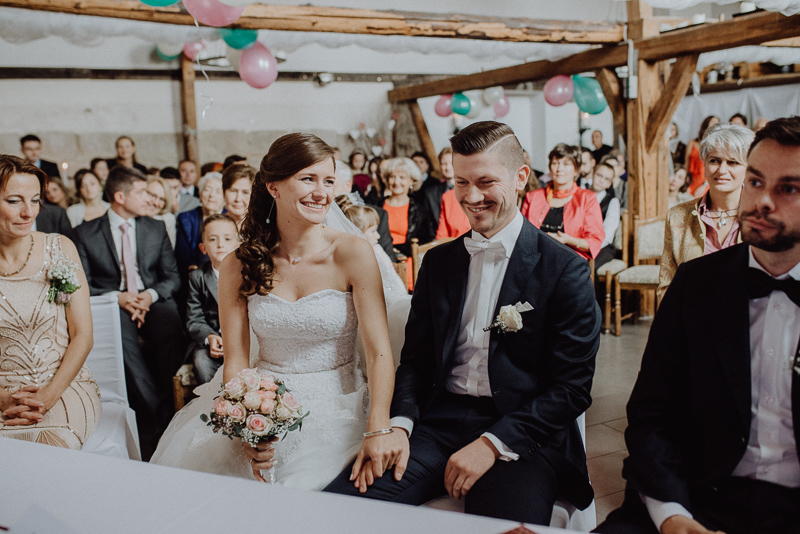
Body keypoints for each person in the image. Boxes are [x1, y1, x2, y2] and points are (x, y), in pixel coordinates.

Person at [325, 121, 600, 525]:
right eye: (461, 183)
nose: (472, 197)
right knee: (337, 513)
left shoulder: (565, 272)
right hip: (437, 424)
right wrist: (399, 426)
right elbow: (416, 361)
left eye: (486, 182)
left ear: (521, 176)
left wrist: (492, 443)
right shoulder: (438, 263)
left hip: (523, 438)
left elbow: (572, 389)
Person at [151, 132, 406, 491]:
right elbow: (236, 360)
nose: (322, 193)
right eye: (308, 179)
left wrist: (378, 425)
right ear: (273, 186)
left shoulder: (352, 253)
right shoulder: (238, 264)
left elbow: (380, 352)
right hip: (260, 402)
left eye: (329, 180)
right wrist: (247, 428)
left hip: (340, 405)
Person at [595, 115, 800, 534]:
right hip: (696, 493)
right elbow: (651, 415)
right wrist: (671, 514)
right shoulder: (697, 284)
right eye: (756, 182)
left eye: (789, 188)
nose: (761, 201)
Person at [74, 165, 185, 460]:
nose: (149, 198)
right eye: (141, 192)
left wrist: (147, 296)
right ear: (120, 196)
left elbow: (171, 277)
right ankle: (153, 414)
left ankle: (175, 407)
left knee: (170, 322)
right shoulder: (85, 233)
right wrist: (119, 298)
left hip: (153, 300)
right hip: (113, 302)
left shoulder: (155, 227)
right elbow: (82, 285)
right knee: (118, 334)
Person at [0, 155, 101, 449]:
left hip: (63, 386)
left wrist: (47, 395)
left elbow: (83, 336)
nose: (28, 212)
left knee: (49, 450)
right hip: (3, 391)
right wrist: (5, 398)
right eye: (14, 201)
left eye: (34, 200)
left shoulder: (59, 248)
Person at [658, 123, 754, 299]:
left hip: (748, 320)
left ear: (748, 169)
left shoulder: (762, 217)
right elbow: (667, 285)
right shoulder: (677, 216)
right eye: (714, 160)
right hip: (691, 319)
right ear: (704, 164)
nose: (722, 170)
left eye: (732, 162)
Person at [521, 143, 605, 260]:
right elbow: (521, 234)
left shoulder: (587, 198)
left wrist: (568, 240)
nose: (559, 169)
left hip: (570, 261)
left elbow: (594, 241)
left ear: (576, 170)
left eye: (566, 164)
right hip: (535, 259)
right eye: (555, 163)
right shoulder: (533, 197)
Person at [186, 214, 239, 385]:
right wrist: (210, 337)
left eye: (227, 238)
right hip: (213, 344)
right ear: (203, 248)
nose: (220, 244)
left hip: (243, 341)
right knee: (201, 361)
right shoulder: (198, 277)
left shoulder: (247, 274)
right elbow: (194, 319)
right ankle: (216, 405)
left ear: (238, 243)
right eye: (213, 239)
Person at [378, 157, 434, 258]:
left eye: (402, 177)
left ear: (412, 181)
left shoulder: (419, 209)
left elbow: (426, 240)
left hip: (408, 260)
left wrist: (397, 250)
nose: (396, 182)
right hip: (381, 259)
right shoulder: (377, 206)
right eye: (392, 177)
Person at [175, 172, 225, 276]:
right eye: (207, 189)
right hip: (195, 273)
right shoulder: (186, 218)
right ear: (200, 194)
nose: (212, 195)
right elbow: (182, 256)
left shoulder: (231, 218)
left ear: (225, 197)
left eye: (218, 191)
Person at [589, 162, 621, 270]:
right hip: (581, 242)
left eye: (606, 179)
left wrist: (590, 246)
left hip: (604, 247)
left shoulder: (612, 201)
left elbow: (608, 234)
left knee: (587, 267)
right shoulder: (581, 195)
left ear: (609, 184)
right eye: (599, 175)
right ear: (592, 174)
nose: (601, 180)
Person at [417, 148, 454, 232]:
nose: (447, 168)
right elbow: (429, 224)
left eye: (451, 163)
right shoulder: (431, 193)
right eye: (444, 164)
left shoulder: (469, 188)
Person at [685, 115, 720, 196]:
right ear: (706, 124)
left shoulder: (716, 146)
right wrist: (684, 183)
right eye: (713, 122)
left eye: (717, 123)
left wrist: (704, 186)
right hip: (690, 181)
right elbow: (686, 164)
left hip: (705, 183)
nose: (716, 124)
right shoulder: (692, 143)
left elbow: (716, 169)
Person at [222, 163, 255, 230]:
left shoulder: (262, 228)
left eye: (245, 192)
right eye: (233, 191)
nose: (238, 199)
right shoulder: (215, 225)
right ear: (224, 192)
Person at [146, 176, 177, 247]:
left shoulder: (168, 219)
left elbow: (168, 252)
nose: (156, 203)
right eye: (153, 195)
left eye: (162, 199)